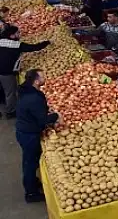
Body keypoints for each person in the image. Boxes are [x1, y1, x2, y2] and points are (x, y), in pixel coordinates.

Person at [15, 69, 60, 203]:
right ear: (36, 81)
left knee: (29, 161)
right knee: (30, 163)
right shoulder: (34, 98)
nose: (45, 78)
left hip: (24, 130)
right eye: (42, 76)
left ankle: (32, 183)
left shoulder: (27, 91)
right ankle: (31, 193)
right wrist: (57, 116)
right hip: (29, 134)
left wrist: (46, 110)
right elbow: (42, 121)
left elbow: (36, 113)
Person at [0, 26, 51, 119]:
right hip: (6, 72)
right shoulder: (16, 45)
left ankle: (3, 102)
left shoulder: (1, 40)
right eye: (17, 33)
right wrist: (46, 43)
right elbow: (33, 47)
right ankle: (10, 111)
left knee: (2, 89)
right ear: (11, 36)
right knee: (10, 92)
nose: (19, 34)